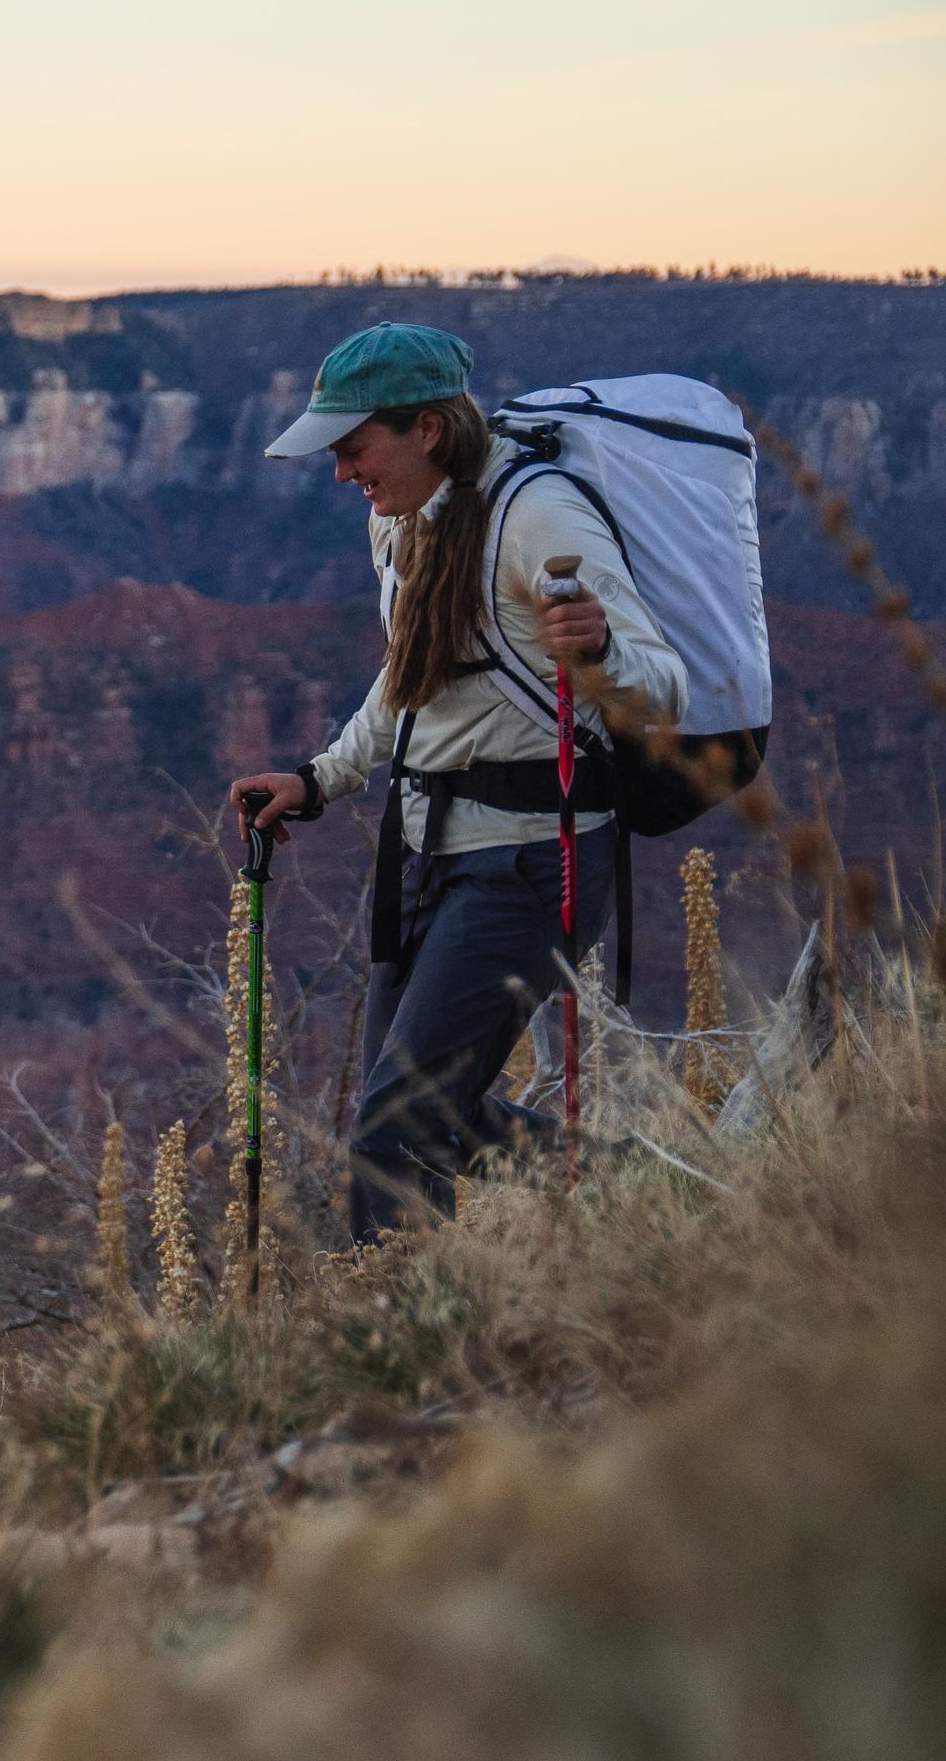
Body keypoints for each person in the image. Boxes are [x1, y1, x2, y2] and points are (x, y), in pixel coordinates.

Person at [230, 323, 687, 1239]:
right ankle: (657, 1198)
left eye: (355, 448)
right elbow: (413, 677)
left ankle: (392, 1332)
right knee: (423, 1113)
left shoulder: (539, 516)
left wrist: (597, 650)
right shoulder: (400, 521)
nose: (341, 472)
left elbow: (664, 687)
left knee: (396, 1127)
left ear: (427, 429)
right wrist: (322, 780)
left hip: (533, 865)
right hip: (432, 858)